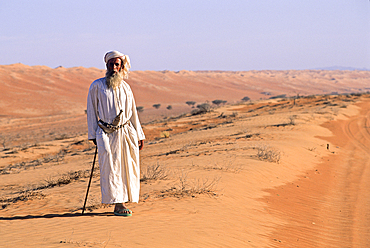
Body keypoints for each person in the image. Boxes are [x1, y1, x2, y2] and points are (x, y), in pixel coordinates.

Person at [86, 50, 145, 216]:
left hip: (126, 133)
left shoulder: (126, 87)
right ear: (106, 65)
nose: (113, 67)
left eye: (116, 64)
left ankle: (123, 200)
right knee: (111, 168)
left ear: (121, 67)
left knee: (127, 167)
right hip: (106, 134)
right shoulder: (97, 86)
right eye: (111, 64)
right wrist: (93, 135)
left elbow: (133, 112)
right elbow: (91, 111)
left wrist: (139, 135)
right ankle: (118, 204)